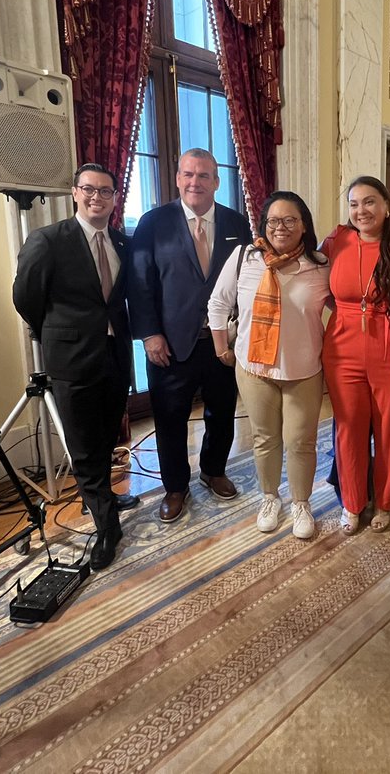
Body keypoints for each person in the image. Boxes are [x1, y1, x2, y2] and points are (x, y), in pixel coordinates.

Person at [12, 162, 141, 571]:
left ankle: (102, 494)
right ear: (74, 192)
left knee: (105, 437)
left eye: (105, 191)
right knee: (84, 445)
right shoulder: (48, 240)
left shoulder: (122, 243)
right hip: (71, 359)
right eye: (89, 189)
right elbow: (26, 297)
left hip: (114, 355)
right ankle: (107, 527)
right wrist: (53, 333)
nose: (96, 197)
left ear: (115, 197)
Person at [130, 148, 254, 523]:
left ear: (216, 182)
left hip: (221, 344)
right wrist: (150, 335)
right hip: (170, 344)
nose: (194, 182)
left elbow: (248, 280)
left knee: (222, 412)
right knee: (169, 419)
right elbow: (139, 284)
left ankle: (214, 470)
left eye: (203, 176)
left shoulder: (237, 223)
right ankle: (175, 487)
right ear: (178, 178)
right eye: (188, 175)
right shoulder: (154, 223)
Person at [208, 191, 331, 540]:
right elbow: (217, 304)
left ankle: (301, 503)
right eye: (274, 221)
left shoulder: (320, 265)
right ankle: (270, 498)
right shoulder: (243, 258)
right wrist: (222, 349)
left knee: (300, 441)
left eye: (290, 220)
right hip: (254, 369)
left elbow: (345, 308)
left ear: (303, 224)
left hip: (303, 369)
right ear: (263, 225)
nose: (281, 227)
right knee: (264, 439)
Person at [321, 176, 390, 533]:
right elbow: (312, 283)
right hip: (341, 347)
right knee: (348, 427)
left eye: (369, 202)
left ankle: (386, 501)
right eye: (354, 204)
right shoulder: (337, 241)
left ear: (385, 205)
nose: (361, 210)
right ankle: (352, 504)